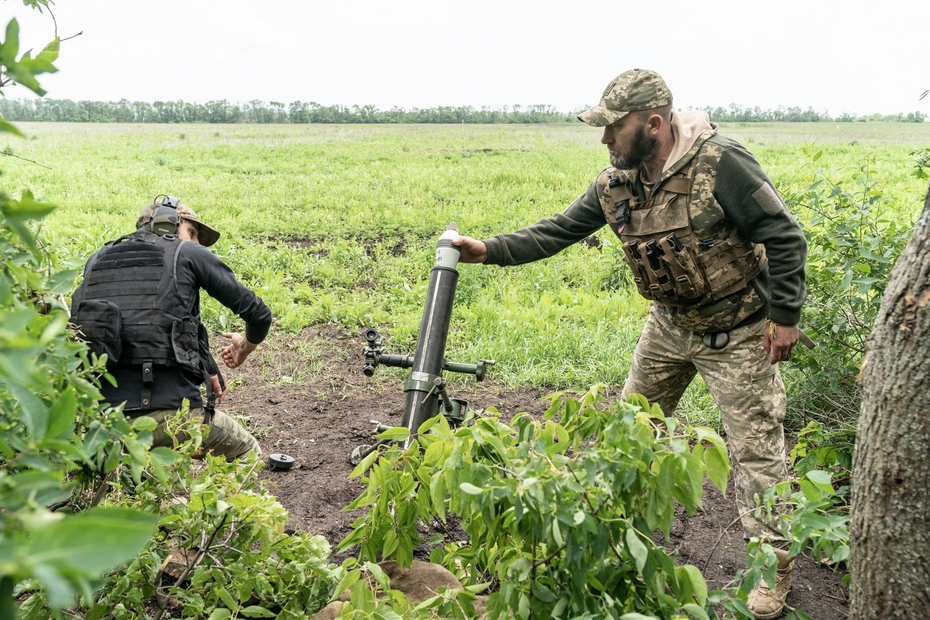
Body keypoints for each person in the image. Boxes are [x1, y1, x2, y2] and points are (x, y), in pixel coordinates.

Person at [453, 69, 807, 619]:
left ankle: (773, 570)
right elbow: (559, 229)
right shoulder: (616, 182)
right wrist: (489, 249)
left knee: (757, 452)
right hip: (668, 327)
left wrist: (784, 317)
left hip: (737, 331)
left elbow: (783, 235)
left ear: (654, 123)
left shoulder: (722, 164)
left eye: (613, 129)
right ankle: (613, 541)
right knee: (630, 432)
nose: (604, 140)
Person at [71, 195, 272, 460]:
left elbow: (144, 323)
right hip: (166, 417)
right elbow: (259, 315)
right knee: (247, 452)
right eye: (192, 232)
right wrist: (244, 348)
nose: (197, 242)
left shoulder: (96, 259)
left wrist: (203, 367)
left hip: (102, 428)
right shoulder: (186, 252)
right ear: (166, 223)